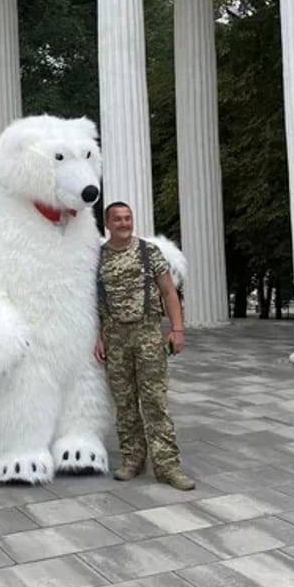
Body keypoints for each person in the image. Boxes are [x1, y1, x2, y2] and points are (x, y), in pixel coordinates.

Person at [95, 201, 195, 491]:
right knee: (125, 404)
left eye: (128, 218)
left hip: (148, 336)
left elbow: (168, 292)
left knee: (155, 402)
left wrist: (177, 329)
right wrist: (98, 336)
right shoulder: (98, 258)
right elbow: (92, 303)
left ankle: (168, 466)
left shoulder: (149, 252)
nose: (124, 223)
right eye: (118, 219)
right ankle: (132, 459)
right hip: (115, 340)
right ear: (107, 224)